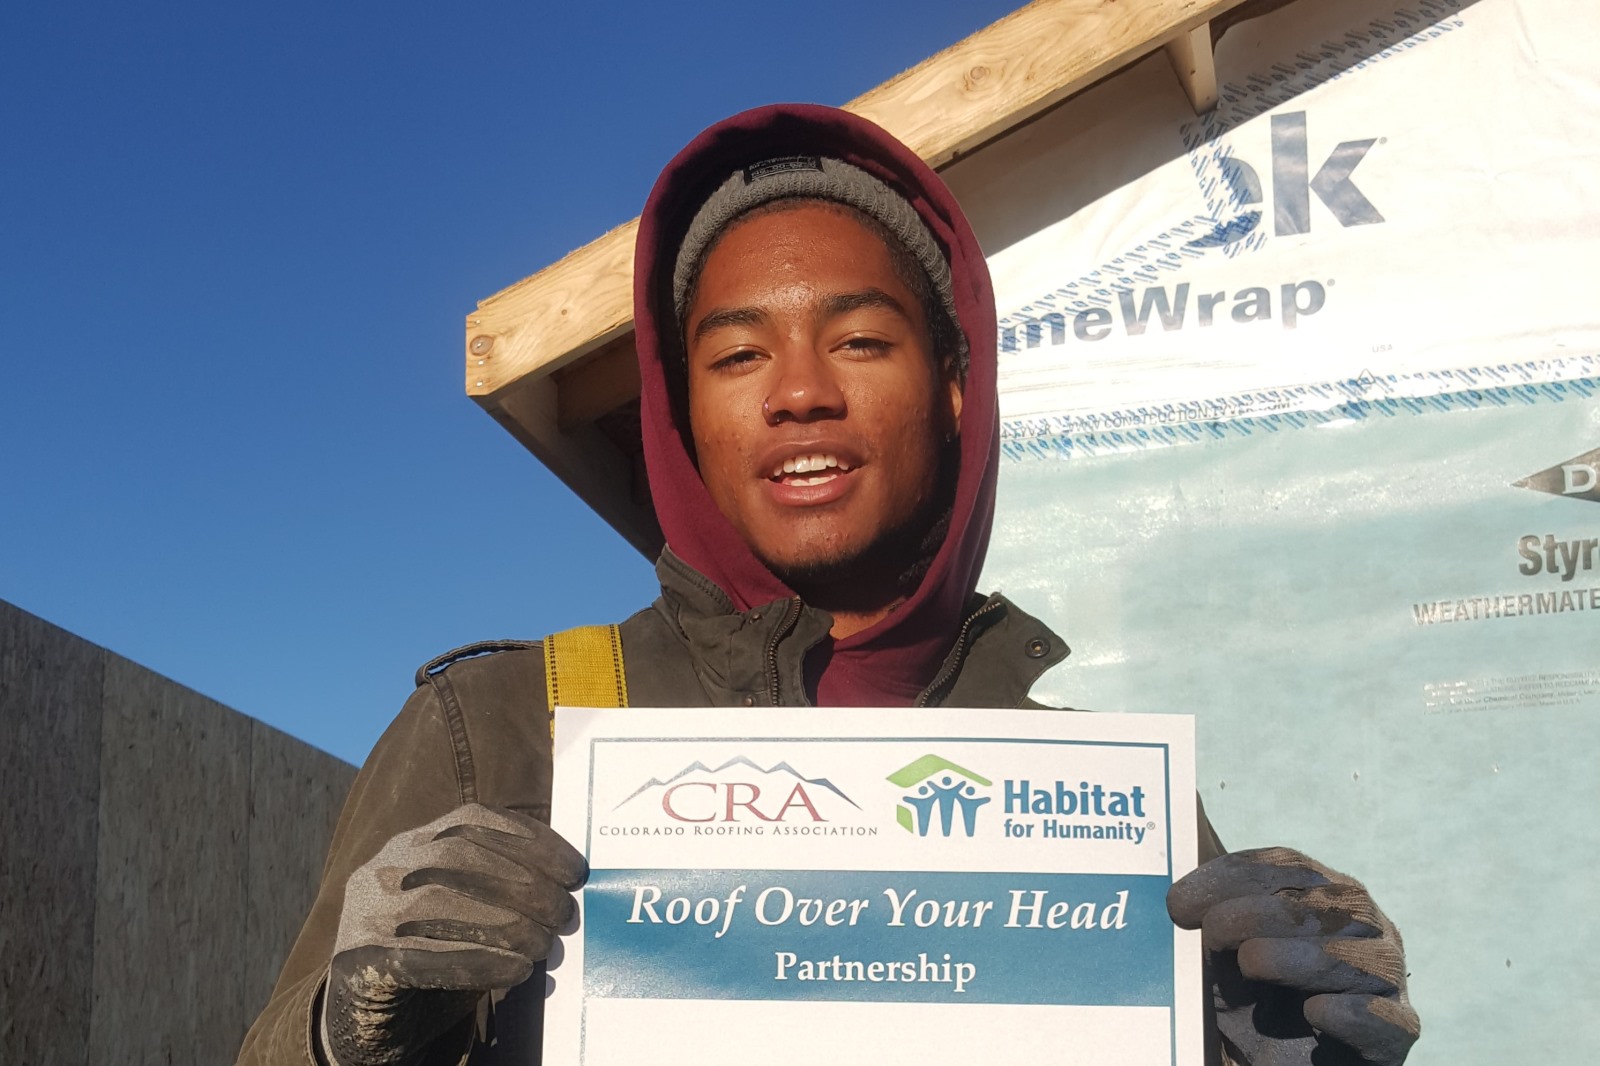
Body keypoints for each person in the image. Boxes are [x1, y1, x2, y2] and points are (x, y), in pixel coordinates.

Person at [237, 104, 1420, 1066]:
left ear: (956, 390)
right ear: (682, 415)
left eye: (859, 340)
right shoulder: (505, 726)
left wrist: (1286, 1053)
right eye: (739, 354)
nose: (799, 392)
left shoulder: (1104, 808)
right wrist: (339, 1035)